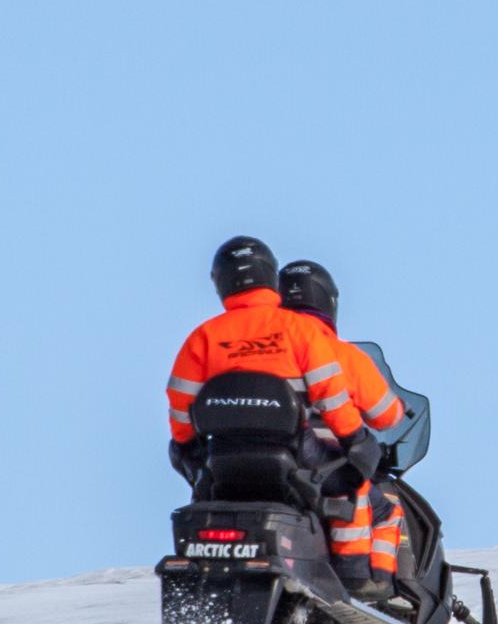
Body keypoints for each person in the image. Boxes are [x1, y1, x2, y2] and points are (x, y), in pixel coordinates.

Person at [166, 236, 383, 588]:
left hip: (223, 460)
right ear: (270, 275)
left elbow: (179, 408)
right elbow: (331, 396)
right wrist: (355, 441)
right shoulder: (298, 331)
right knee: (353, 484)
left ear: (221, 282)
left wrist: (189, 449)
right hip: (295, 457)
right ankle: (353, 576)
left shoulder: (201, 338)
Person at [276, 258, 411, 584]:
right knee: (384, 511)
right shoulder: (343, 355)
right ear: (328, 301)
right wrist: (399, 409)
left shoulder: (261, 349)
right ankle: (371, 587)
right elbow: (385, 415)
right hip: (321, 464)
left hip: (265, 459)